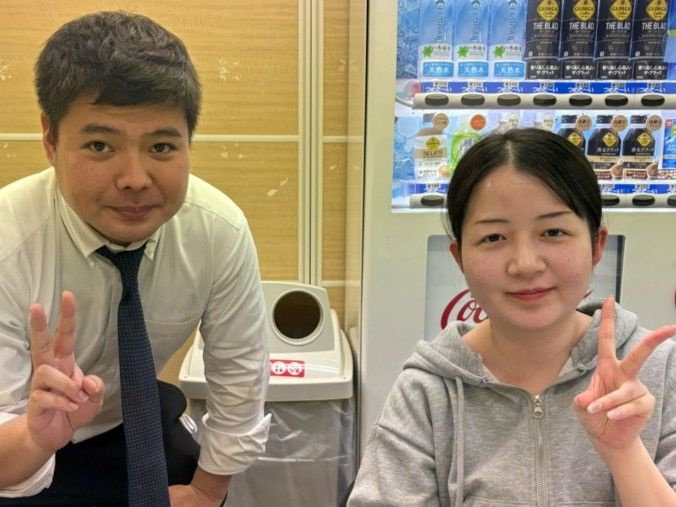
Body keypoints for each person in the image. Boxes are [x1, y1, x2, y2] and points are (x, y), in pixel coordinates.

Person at [0, 10, 270, 506]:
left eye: (161, 146)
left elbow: (240, 382)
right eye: (100, 145)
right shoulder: (7, 243)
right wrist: (36, 437)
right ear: (50, 140)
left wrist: (206, 493)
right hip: (22, 438)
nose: (135, 179)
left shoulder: (218, 231)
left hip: (133, 420)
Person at [347, 128, 676, 506]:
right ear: (459, 258)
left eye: (553, 231)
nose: (525, 264)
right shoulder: (428, 391)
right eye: (493, 238)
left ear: (596, 245)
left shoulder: (659, 369)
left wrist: (624, 452)